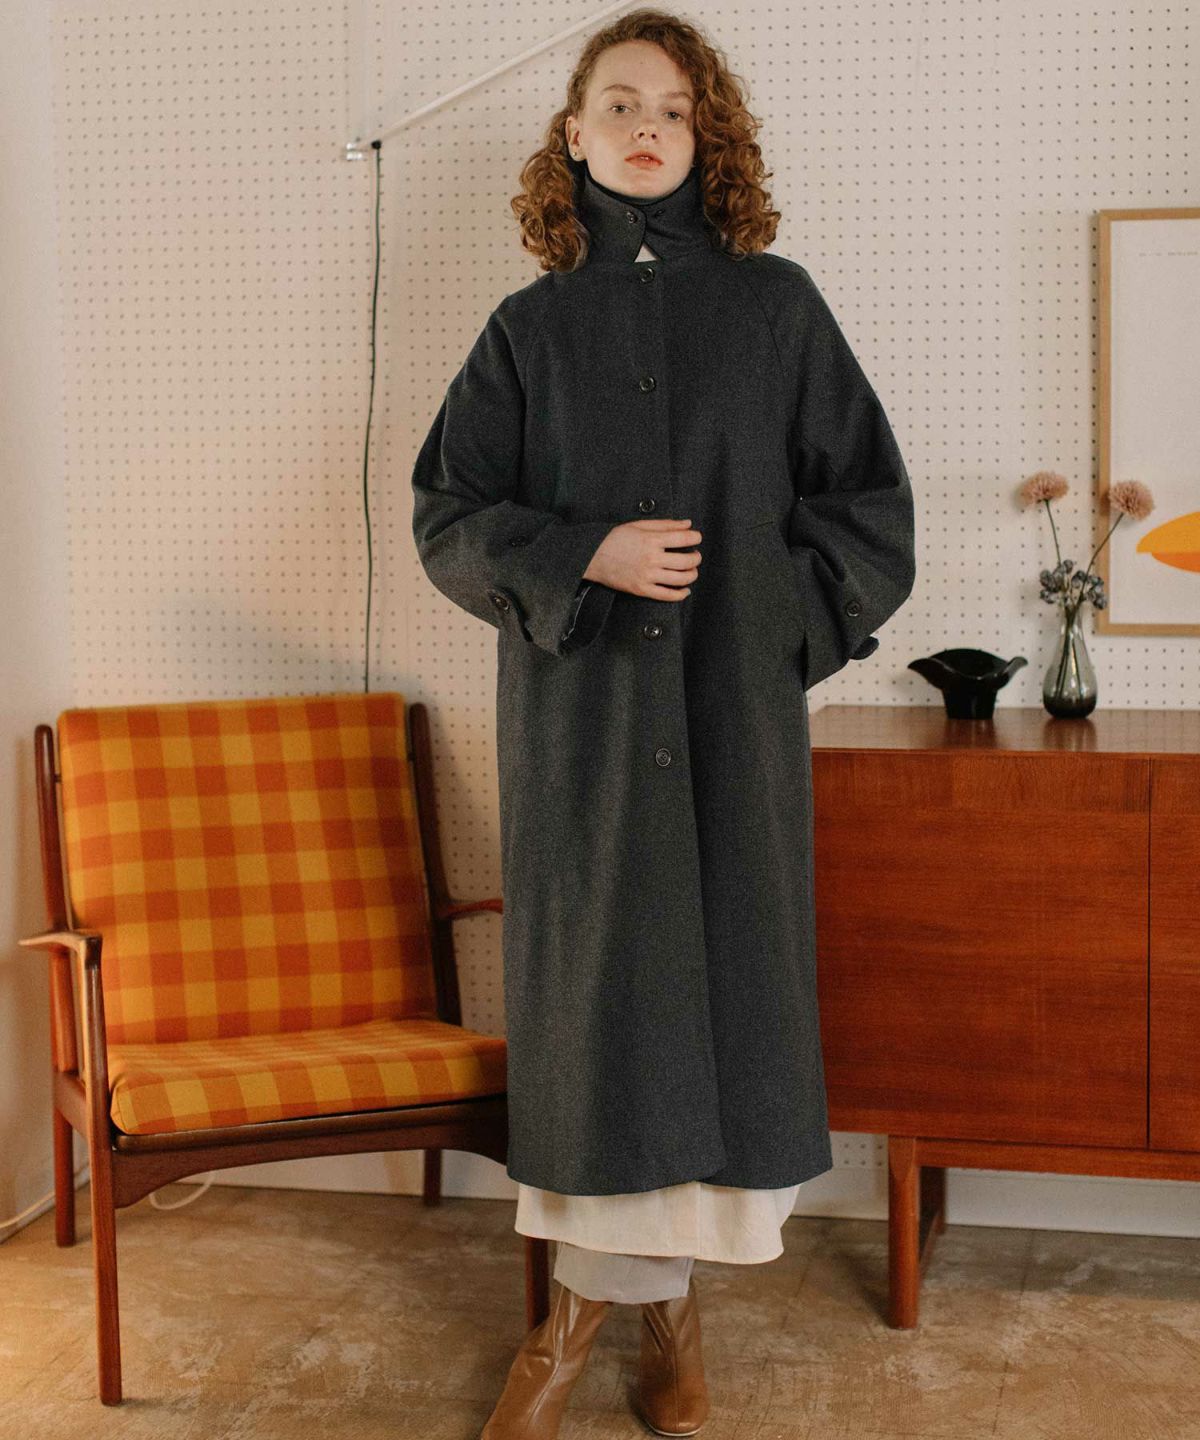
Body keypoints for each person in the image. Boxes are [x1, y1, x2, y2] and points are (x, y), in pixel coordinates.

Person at [410, 10, 916, 1438]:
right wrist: (587, 553)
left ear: (709, 138)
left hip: (729, 728)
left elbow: (870, 512)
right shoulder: (529, 330)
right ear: (573, 135)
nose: (648, 127)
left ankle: (638, 1324)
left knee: (718, 1012)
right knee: (599, 1026)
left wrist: (765, 627)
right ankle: (603, 1332)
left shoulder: (777, 309)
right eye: (620, 104)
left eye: (676, 110)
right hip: (580, 729)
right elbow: (449, 519)